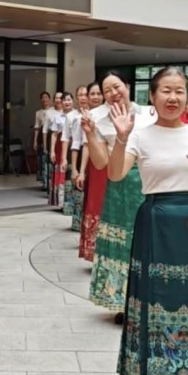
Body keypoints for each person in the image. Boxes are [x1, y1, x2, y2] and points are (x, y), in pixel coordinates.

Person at [108, 67, 188, 375]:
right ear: (152, 97)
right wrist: (121, 138)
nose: (173, 97)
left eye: (180, 91)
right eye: (166, 91)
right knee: (155, 300)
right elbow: (116, 174)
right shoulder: (139, 134)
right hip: (155, 221)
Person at [83, 71, 156, 323]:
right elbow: (101, 162)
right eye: (107, 91)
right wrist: (91, 134)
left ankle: (153, 299)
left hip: (153, 181)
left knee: (153, 240)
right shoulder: (96, 117)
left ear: (127, 86)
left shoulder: (150, 113)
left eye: (117, 87)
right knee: (124, 242)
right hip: (121, 184)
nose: (114, 94)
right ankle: (123, 302)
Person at [78, 82, 107, 261]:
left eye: (99, 93)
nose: (96, 97)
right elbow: (86, 146)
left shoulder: (112, 113)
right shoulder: (88, 116)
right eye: (92, 94)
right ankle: (93, 250)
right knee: (94, 204)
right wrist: (81, 171)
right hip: (96, 167)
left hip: (114, 164)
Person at [68, 85, 88, 231]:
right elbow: (75, 143)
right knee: (81, 193)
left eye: (84, 94)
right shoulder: (76, 118)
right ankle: (80, 225)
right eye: (79, 95)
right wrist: (74, 168)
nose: (82, 98)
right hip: (83, 155)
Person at [49, 92, 72, 208]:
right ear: (61, 103)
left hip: (72, 147)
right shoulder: (57, 117)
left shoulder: (77, 115)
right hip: (59, 146)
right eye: (65, 100)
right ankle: (61, 201)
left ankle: (70, 202)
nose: (67, 102)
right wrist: (52, 150)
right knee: (60, 172)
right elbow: (53, 135)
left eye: (69, 100)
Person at [34, 91, 52, 186]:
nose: (44, 99)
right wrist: (35, 141)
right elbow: (37, 127)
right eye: (43, 97)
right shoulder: (38, 113)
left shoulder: (53, 111)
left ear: (49, 99)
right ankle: (44, 181)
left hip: (51, 135)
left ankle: (50, 180)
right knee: (42, 159)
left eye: (46, 97)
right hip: (42, 136)